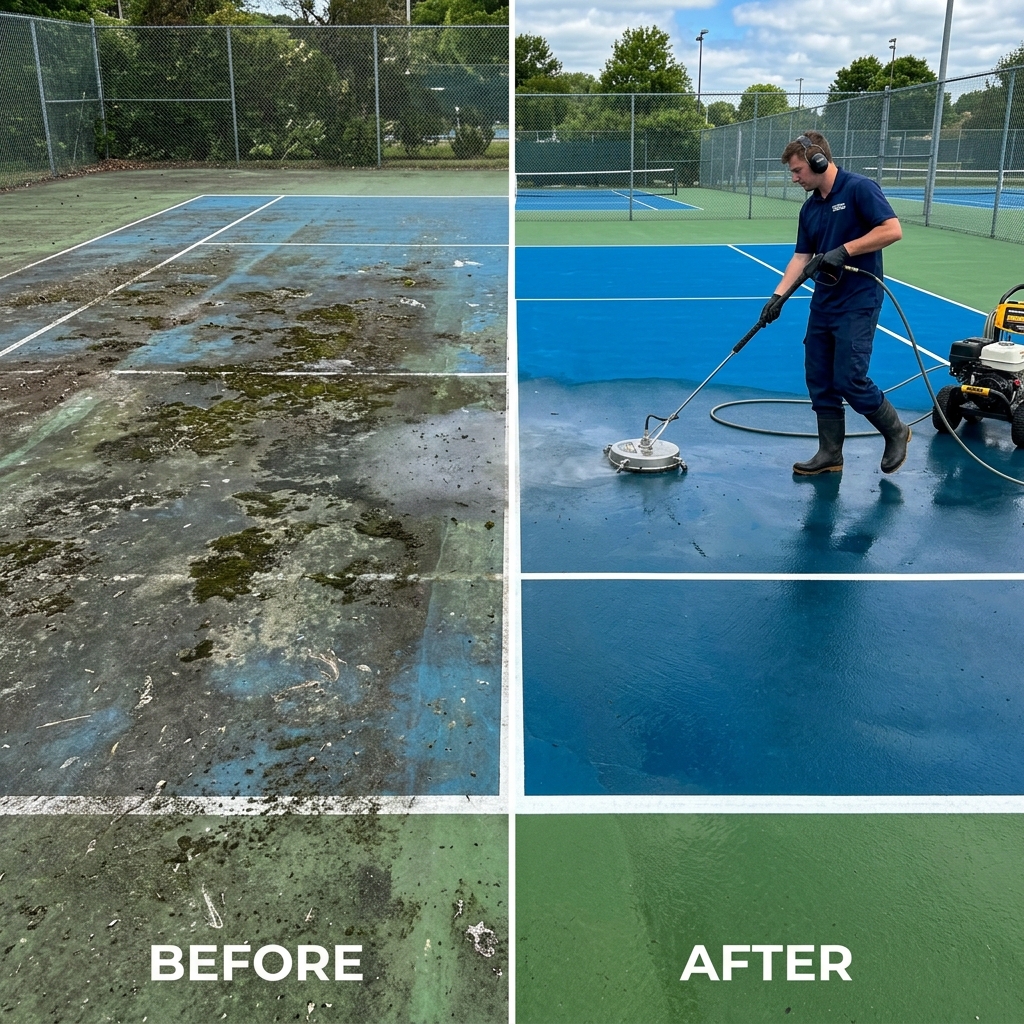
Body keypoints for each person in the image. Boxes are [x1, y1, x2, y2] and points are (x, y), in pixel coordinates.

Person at [762, 131, 909, 475]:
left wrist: (845, 251)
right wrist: (777, 297)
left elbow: (892, 230)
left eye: (798, 170)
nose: (795, 178)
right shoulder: (810, 208)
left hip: (858, 301)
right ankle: (830, 453)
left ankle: (896, 430)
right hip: (824, 302)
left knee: (850, 378)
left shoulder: (860, 189)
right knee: (819, 378)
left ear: (819, 161)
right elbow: (801, 257)